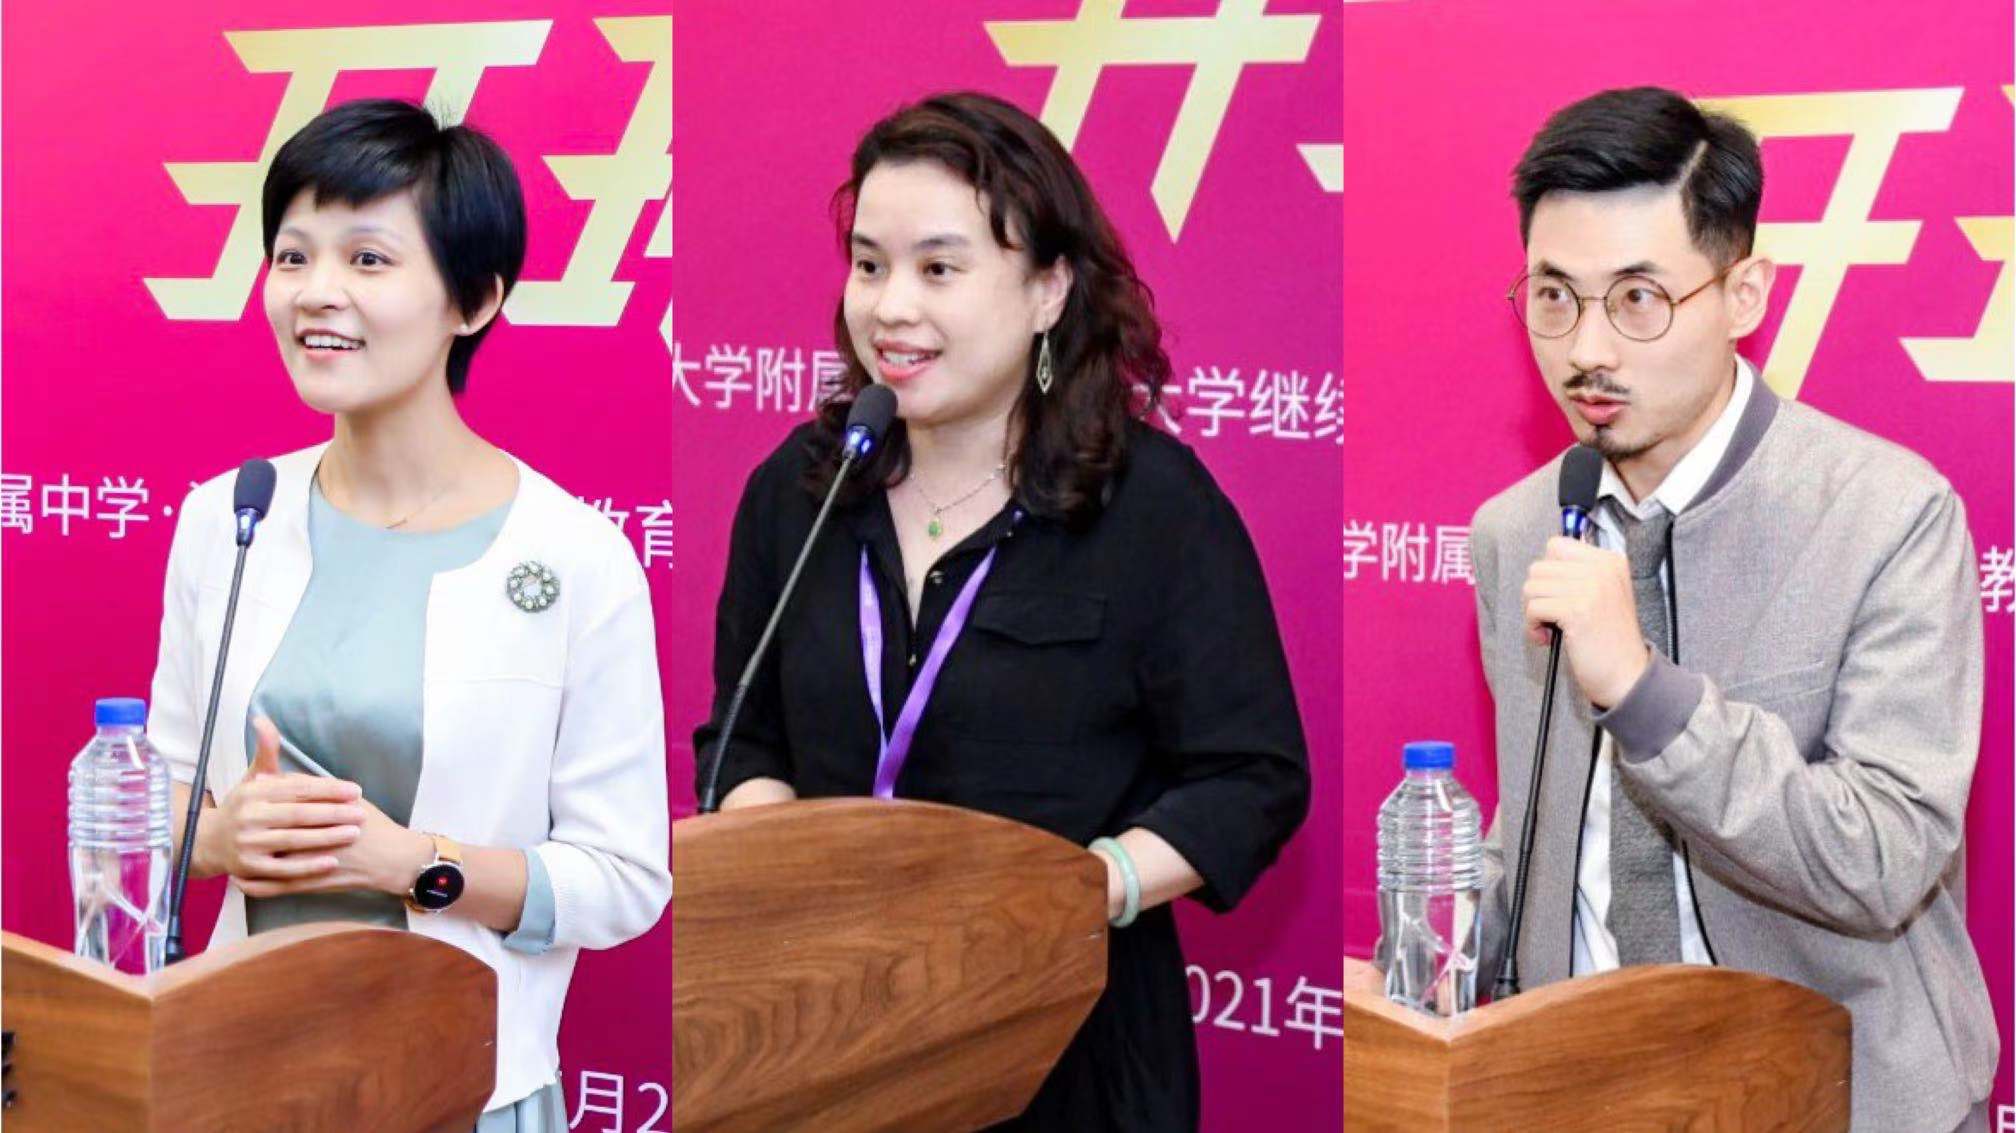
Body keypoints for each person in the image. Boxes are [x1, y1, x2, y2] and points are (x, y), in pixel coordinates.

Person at [694, 91, 1309, 1132]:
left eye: (939, 269)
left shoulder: (1152, 508)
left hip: (1066, 1038)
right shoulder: (799, 493)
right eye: (869, 264)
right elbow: (742, 736)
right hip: (819, 1036)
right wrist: (785, 878)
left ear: (1048, 289)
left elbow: (1252, 774)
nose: (891, 308)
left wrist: (1077, 893)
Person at [1471, 86, 1997, 1132]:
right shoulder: (1516, 528)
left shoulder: (1888, 514)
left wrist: (1644, 694)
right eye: (1554, 297)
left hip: (1836, 1096)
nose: (1586, 349)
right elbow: (1541, 827)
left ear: (1744, 293)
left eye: (1638, 298)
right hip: (1585, 1092)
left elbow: (1884, 856)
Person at [149, 99, 670, 1130]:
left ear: (473, 300)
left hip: (462, 1088)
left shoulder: (576, 556)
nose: (316, 292)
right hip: (242, 1071)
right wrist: (217, 837)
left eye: (368, 259)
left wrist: (416, 866)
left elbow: (622, 879)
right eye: (293, 256)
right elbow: (150, 797)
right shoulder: (230, 516)